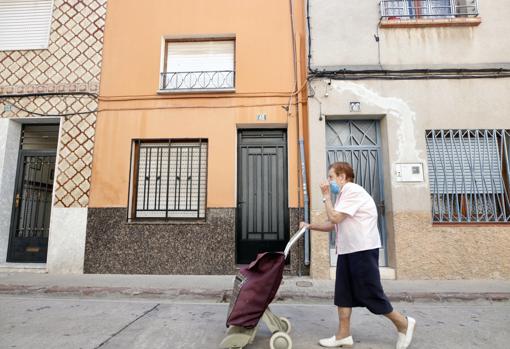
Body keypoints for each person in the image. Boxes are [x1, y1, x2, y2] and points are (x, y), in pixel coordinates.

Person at [300, 162, 415, 349]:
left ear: (342, 177)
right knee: (343, 294)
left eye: (331, 177)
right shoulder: (344, 196)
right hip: (347, 251)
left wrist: (326, 196)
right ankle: (343, 335)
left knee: (370, 292)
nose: (329, 181)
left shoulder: (352, 190)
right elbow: (333, 224)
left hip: (362, 250)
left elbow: (335, 218)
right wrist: (310, 226)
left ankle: (403, 323)